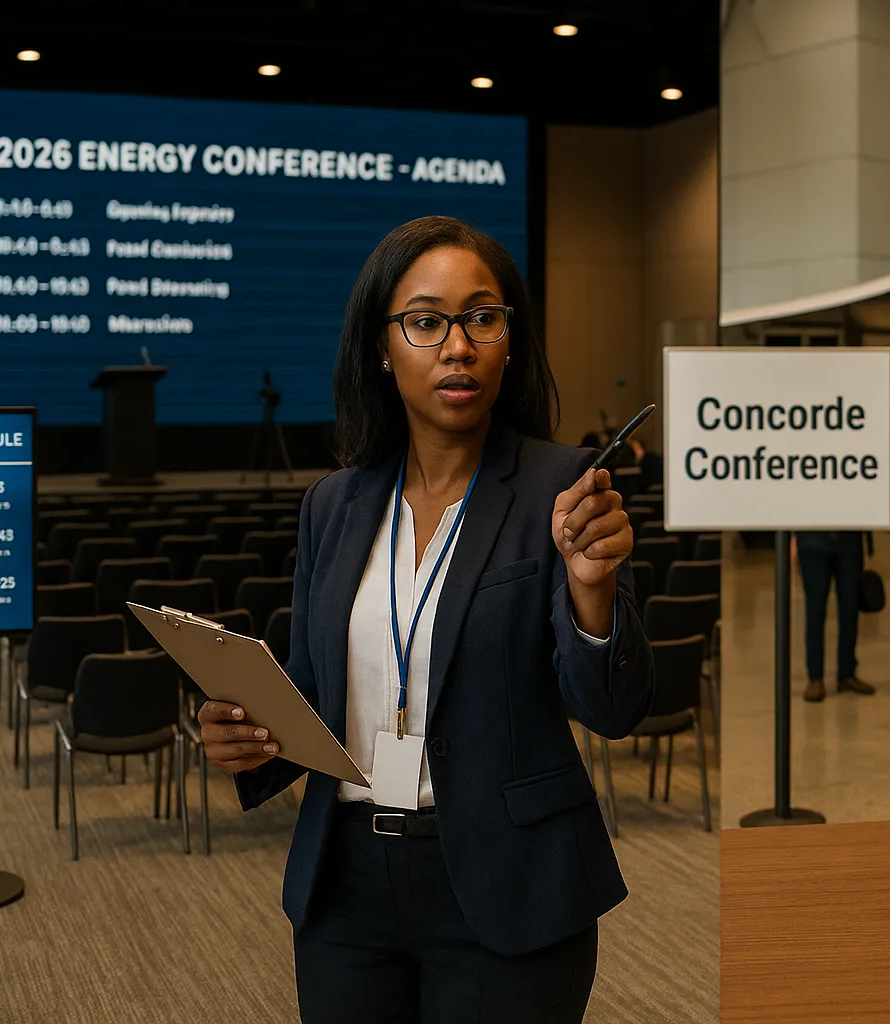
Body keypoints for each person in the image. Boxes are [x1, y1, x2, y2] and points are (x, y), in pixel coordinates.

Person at [198, 216, 655, 1023]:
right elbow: (310, 688)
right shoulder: (332, 506)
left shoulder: (564, 485)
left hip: (508, 885)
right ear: (382, 346)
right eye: (425, 320)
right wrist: (244, 736)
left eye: (483, 317)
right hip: (345, 889)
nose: (457, 345)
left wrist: (591, 589)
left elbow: (613, 710)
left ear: (509, 340)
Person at [796, 531, 873, 701]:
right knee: (815, 610)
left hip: (849, 539)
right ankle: (815, 677)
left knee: (850, 608)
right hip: (813, 540)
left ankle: (847, 673)